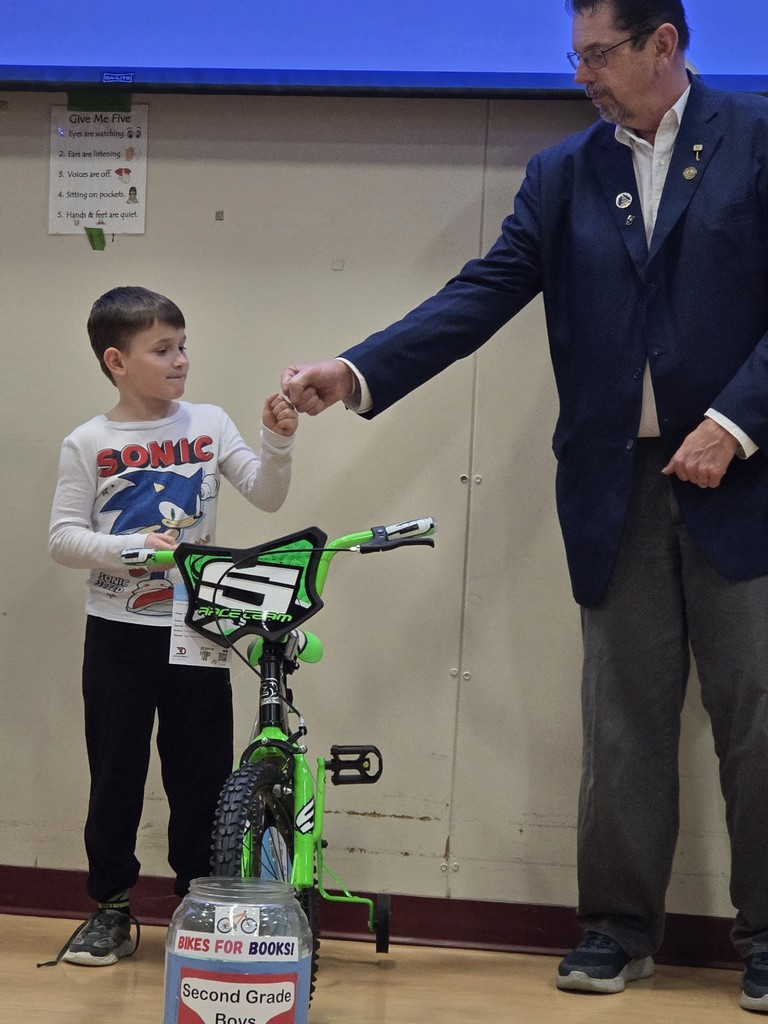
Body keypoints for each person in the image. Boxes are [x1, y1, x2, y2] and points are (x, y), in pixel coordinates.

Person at [281, 0, 768, 1012]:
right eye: (577, 55)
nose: (582, 74)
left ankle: (766, 940)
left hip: (745, 477)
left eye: (599, 54)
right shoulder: (562, 173)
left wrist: (735, 420)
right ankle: (618, 930)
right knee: (622, 722)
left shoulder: (756, 141)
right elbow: (483, 291)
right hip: (613, 487)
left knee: (757, 717)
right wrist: (356, 369)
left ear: (664, 45)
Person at [45, 286, 298, 967]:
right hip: (118, 635)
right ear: (117, 360)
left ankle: (199, 901)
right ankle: (111, 907)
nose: (181, 360)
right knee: (117, 772)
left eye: (183, 346)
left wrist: (277, 438)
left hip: (199, 632)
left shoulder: (210, 424)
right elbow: (63, 539)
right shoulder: (89, 442)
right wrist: (128, 553)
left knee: (203, 776)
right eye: (163, 350)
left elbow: (268, 495)